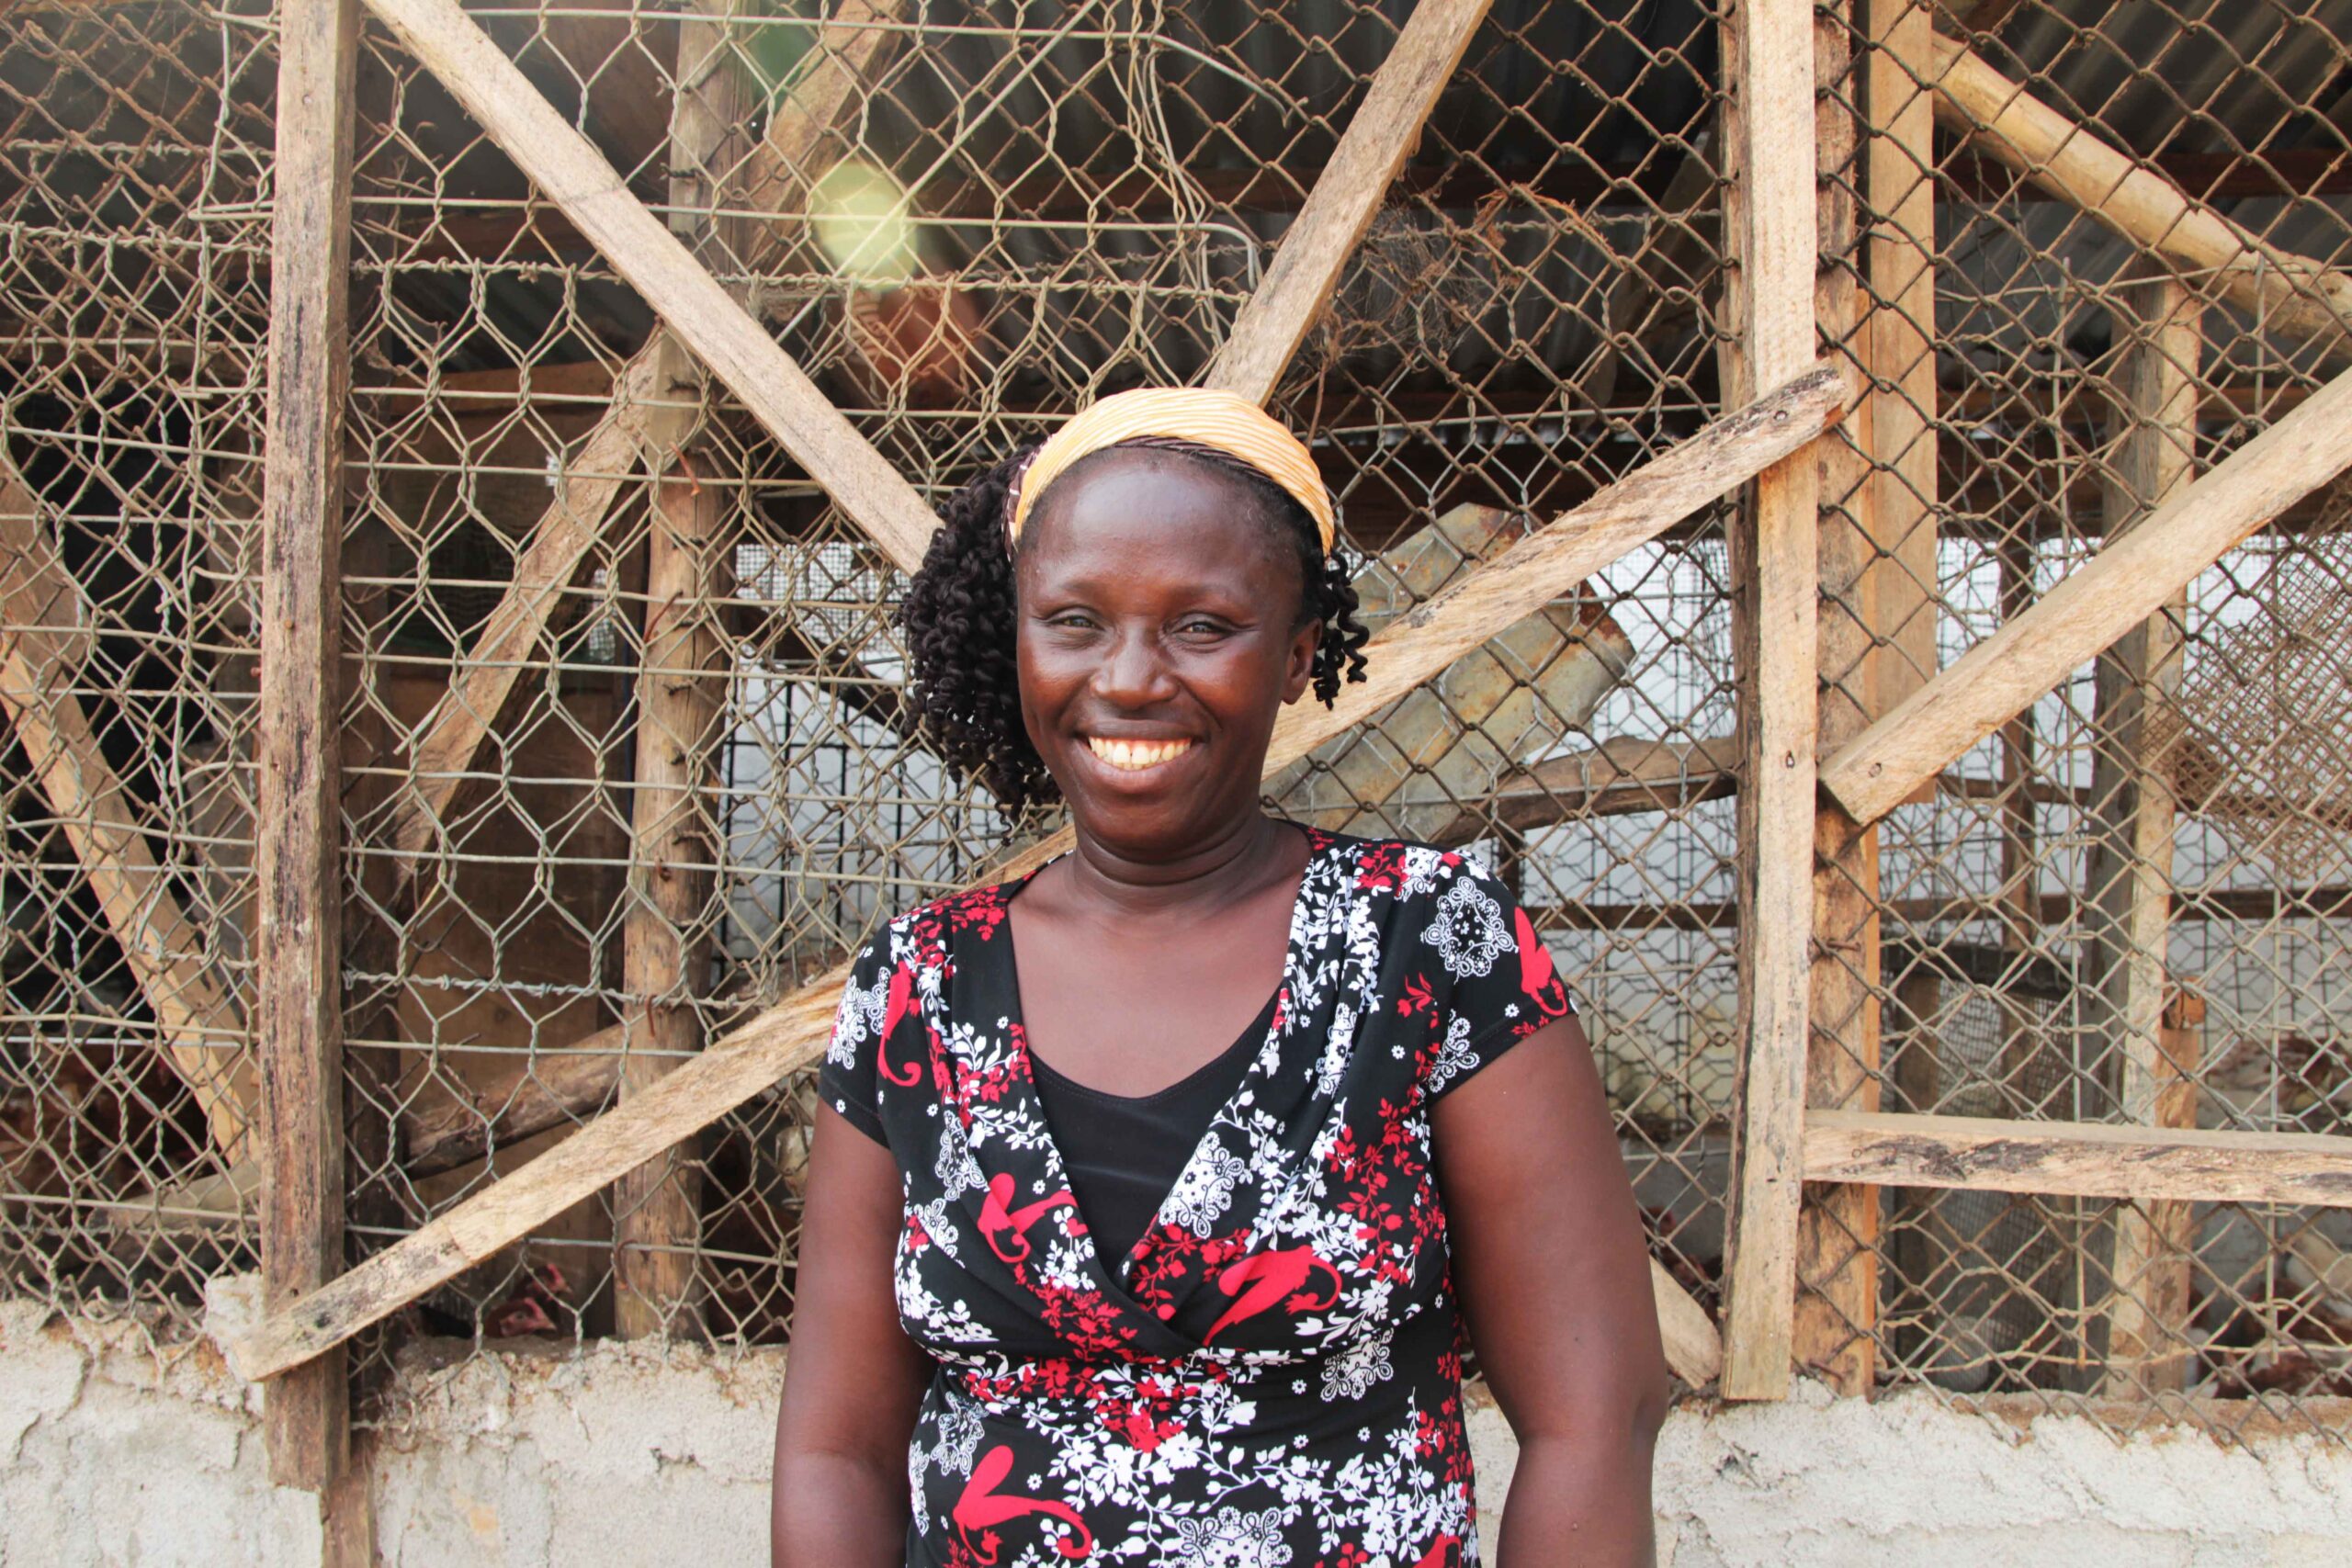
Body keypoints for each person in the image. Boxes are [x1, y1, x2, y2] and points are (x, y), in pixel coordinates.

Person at [772, 389, 1668, 1567]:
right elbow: (833, 1451)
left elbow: (1593, 1418)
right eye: (1075, 620)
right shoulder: (918, 988)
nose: (1132, 679)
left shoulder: (1429, 947)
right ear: (1017, 638)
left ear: (1297, 654)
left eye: (1201, 626)